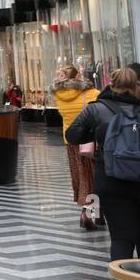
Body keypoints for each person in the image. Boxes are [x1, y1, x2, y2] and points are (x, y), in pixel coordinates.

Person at [66, 67, 140, 259]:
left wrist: (97, 133)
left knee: (121, 239)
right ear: (136, 85)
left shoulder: (97, 108)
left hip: (111, 180)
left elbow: (72, 135)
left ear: (111, 83)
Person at [53, 64, 100, 231]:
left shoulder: (59, 96)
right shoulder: (92, 93)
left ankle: (97, 214)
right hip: (89, 141)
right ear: (78, 76)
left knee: (81, 178)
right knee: (93, 178)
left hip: (71, 142)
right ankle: (87, 213)